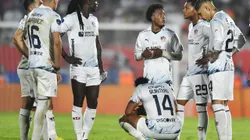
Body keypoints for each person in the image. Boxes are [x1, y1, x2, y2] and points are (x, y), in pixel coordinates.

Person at [194, 0, 246, 139]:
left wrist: (209, 57)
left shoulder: (215, 21)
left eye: (201, 13)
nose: (201, 17)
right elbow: (241, 39)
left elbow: (217, 42)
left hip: (217, 67)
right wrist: (228, 53)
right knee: (224, 105)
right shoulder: (227, 17)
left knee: (217, 104)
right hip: (228, 65)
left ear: (207, 7)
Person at [15, 0, 62, 139]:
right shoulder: (53, 15)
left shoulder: (30, 15)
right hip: (44, 65)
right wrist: (57, 64)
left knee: (36, 104)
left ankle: (46, 136)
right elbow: (57, 41)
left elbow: (17, 37)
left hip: (31, 66)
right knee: (43, 104)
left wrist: (31, 56)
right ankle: (42, 137)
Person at [60, 0, 107, 139]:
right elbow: (55, 36)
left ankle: (84, 136)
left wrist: (101, 69)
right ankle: (79, 136)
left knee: (93, 102)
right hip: (78, 68)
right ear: (87, 2)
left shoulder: (94, 20)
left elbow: (97, 45)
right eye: (95, 1)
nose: (97, 3)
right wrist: (66, 57)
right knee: (79, 101)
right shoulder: (70, 19)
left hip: (93, 69)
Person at [176, 0, 211, 139]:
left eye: (187, 8)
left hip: (201, 74)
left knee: (201, 109)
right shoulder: (191, 26)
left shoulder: (205, 26)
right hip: (189, 74)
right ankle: (175, 137)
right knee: (178, 104)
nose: (184, 10)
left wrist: (209, 57)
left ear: (195, 10)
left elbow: (218, 41)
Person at [134, 3, 183, 84]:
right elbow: (136, 56)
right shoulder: (142, 35)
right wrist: (143, 54)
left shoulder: (171, 34)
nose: (163, 17)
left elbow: (179, 56)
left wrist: (162, 53)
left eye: (164, 14)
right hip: (148, 81)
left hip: (166, 82)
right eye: (160, 14)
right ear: (152, 17)